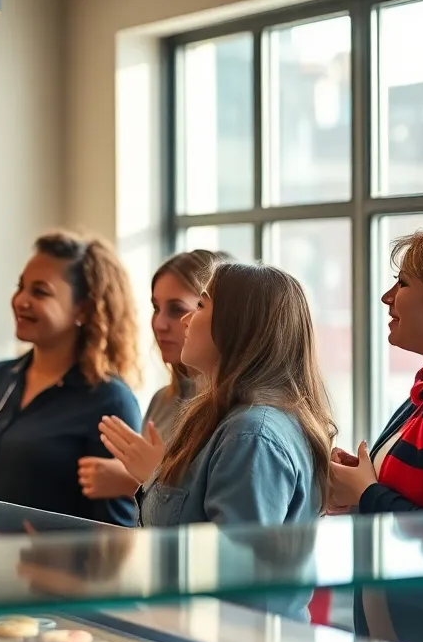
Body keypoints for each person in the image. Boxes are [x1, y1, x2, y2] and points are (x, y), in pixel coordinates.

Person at [134, 262, 335, 622]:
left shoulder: (252, 435)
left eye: (200, 306)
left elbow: (239, 590)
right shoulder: (221, 418)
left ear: (238, 325)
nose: (183, 321)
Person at [0, 231, 142, 526]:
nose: (21, 300)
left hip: (52, 570)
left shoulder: (109, 399)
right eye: (20, 287)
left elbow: (116, 529)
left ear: (83, 309)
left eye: (40, 292)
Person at [329, 217, 423, 642]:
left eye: (402, 283)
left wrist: (366, 494)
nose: (386, 297)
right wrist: (357, 482)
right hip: (395, 629)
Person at [85, 249, 226, 500]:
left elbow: (213, 508)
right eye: (156, 307)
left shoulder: (233, 411)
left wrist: (133, 480)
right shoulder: (163, 399)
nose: (159, 324)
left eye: (176, 309)